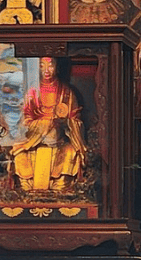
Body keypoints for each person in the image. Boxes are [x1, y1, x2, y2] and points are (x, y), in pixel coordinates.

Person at [11, 56, 87, 193]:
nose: (46, 70)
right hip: (34, 141)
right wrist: (41, 125)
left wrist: (65, 122)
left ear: (57, 68)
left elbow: (76, 120)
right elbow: (24, 119)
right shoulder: (32, 92)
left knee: (70, 152)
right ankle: (28, 189)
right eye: (42, 66)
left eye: (50, 65)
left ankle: (59, 188)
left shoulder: (66, 93)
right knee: (20, 155)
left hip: (59, 142)